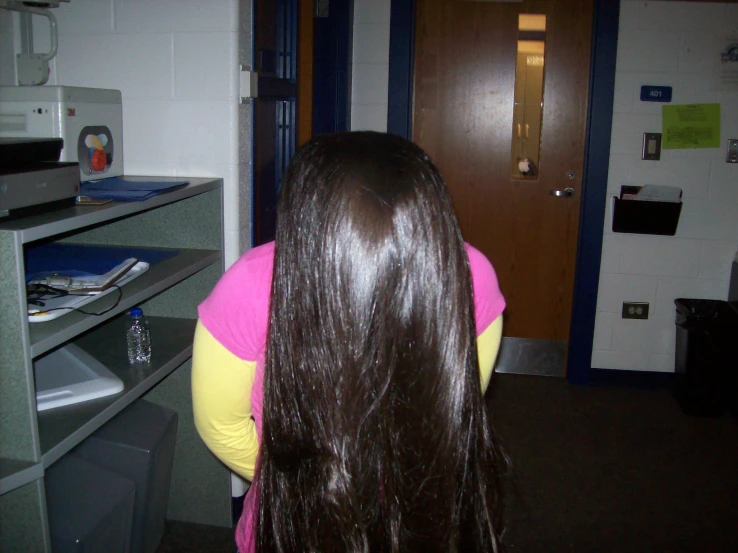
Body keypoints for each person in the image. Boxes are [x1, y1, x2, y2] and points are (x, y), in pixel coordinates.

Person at [192, 131, 507, 553]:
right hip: (311, 524)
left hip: (413, 519)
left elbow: (454, 406)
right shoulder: (251, 286)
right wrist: (309, 490)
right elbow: (221, 426)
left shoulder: (468, 277)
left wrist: (332, 489)